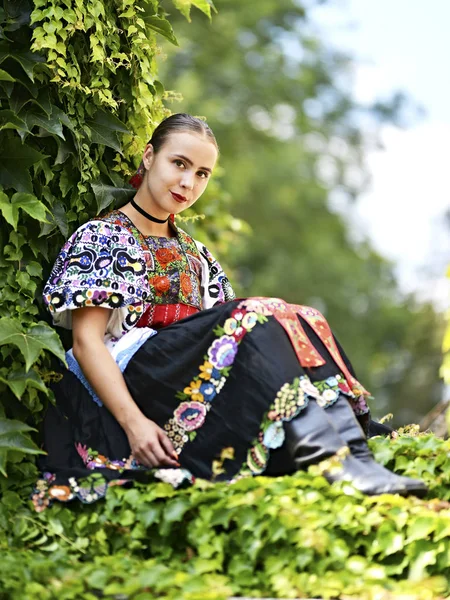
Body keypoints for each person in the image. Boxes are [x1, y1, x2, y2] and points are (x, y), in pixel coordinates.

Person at [32, 114, 426, 511]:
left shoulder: (198, 255)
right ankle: (334, 459)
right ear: (150, 156)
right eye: (179, 164)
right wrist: (135, 424)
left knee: (300, 317)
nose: (189, 183)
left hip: (185, 383)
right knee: (259, 311)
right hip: (132, 381)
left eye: (202, 173)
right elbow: (86, 344)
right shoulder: (102, 236)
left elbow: (235, 346)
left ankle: (352, 456)